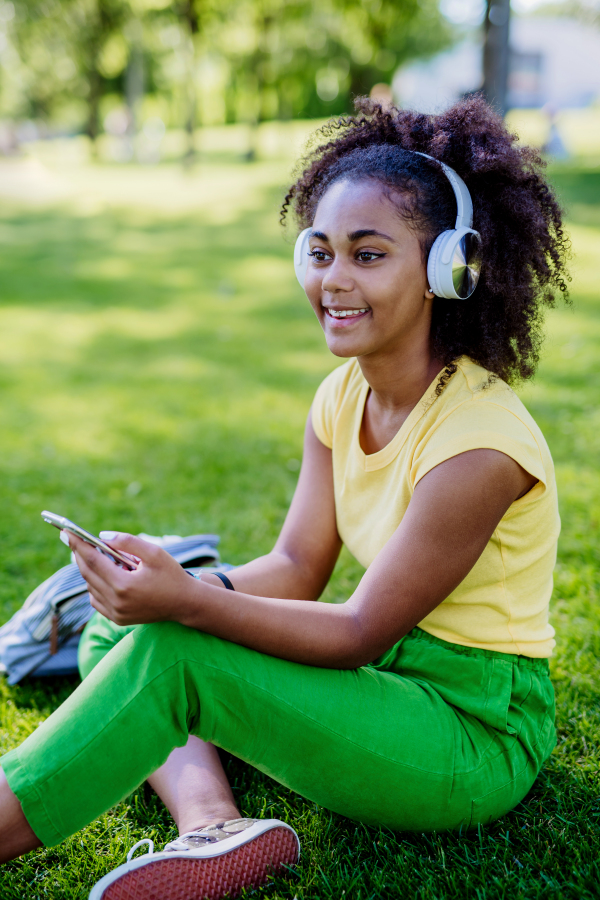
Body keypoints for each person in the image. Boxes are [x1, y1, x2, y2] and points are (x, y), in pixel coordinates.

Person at [0, 96, 570, 900]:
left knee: (172, 649)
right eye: (321, 251)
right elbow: (300, 565)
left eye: (368, 256)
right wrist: (172, 589)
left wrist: (191, 605)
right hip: (393, 684)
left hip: (469, 732)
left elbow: (359, 632)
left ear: (450, 267)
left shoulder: (479, 444)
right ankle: (213, 827)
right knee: (120, 632)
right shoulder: (341, 397)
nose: (332, 280)